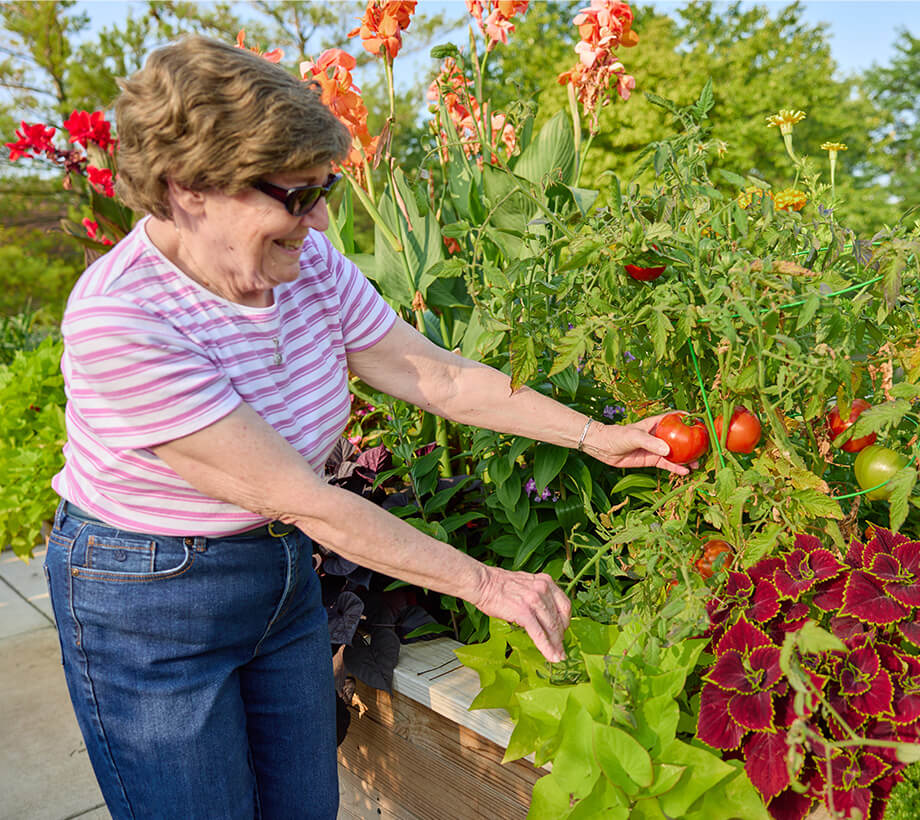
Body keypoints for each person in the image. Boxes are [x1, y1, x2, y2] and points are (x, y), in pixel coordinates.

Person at [44, 34, 688, 820]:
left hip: (277, 568)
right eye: (294, 197)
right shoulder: (125, 320)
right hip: (149, 598)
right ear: (189, 189)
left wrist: (595, 435)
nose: (318, 221)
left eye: (325, 189)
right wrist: (487, 583)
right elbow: (307, 499)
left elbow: (436, 373)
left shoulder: (306, 262)